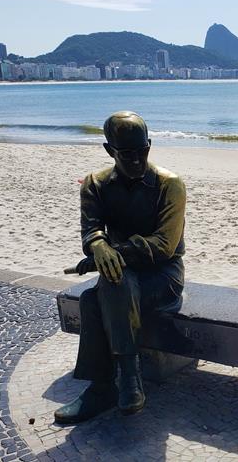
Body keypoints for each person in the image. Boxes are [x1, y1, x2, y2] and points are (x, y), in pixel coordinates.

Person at [54, 111, 186, 424]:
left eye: (143, 151)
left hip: (163, 274)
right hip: (120, 276)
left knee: (100, 294)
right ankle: (125, 380)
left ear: (150, 145)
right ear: (109, 150)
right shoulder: (95, 185)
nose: (137, 160)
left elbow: (165, 244)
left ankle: (108, 385)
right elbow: (91, 228)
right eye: (127, 154)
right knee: (107, 289)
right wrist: (98, 246)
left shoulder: (170, 185)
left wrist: (112, 253)